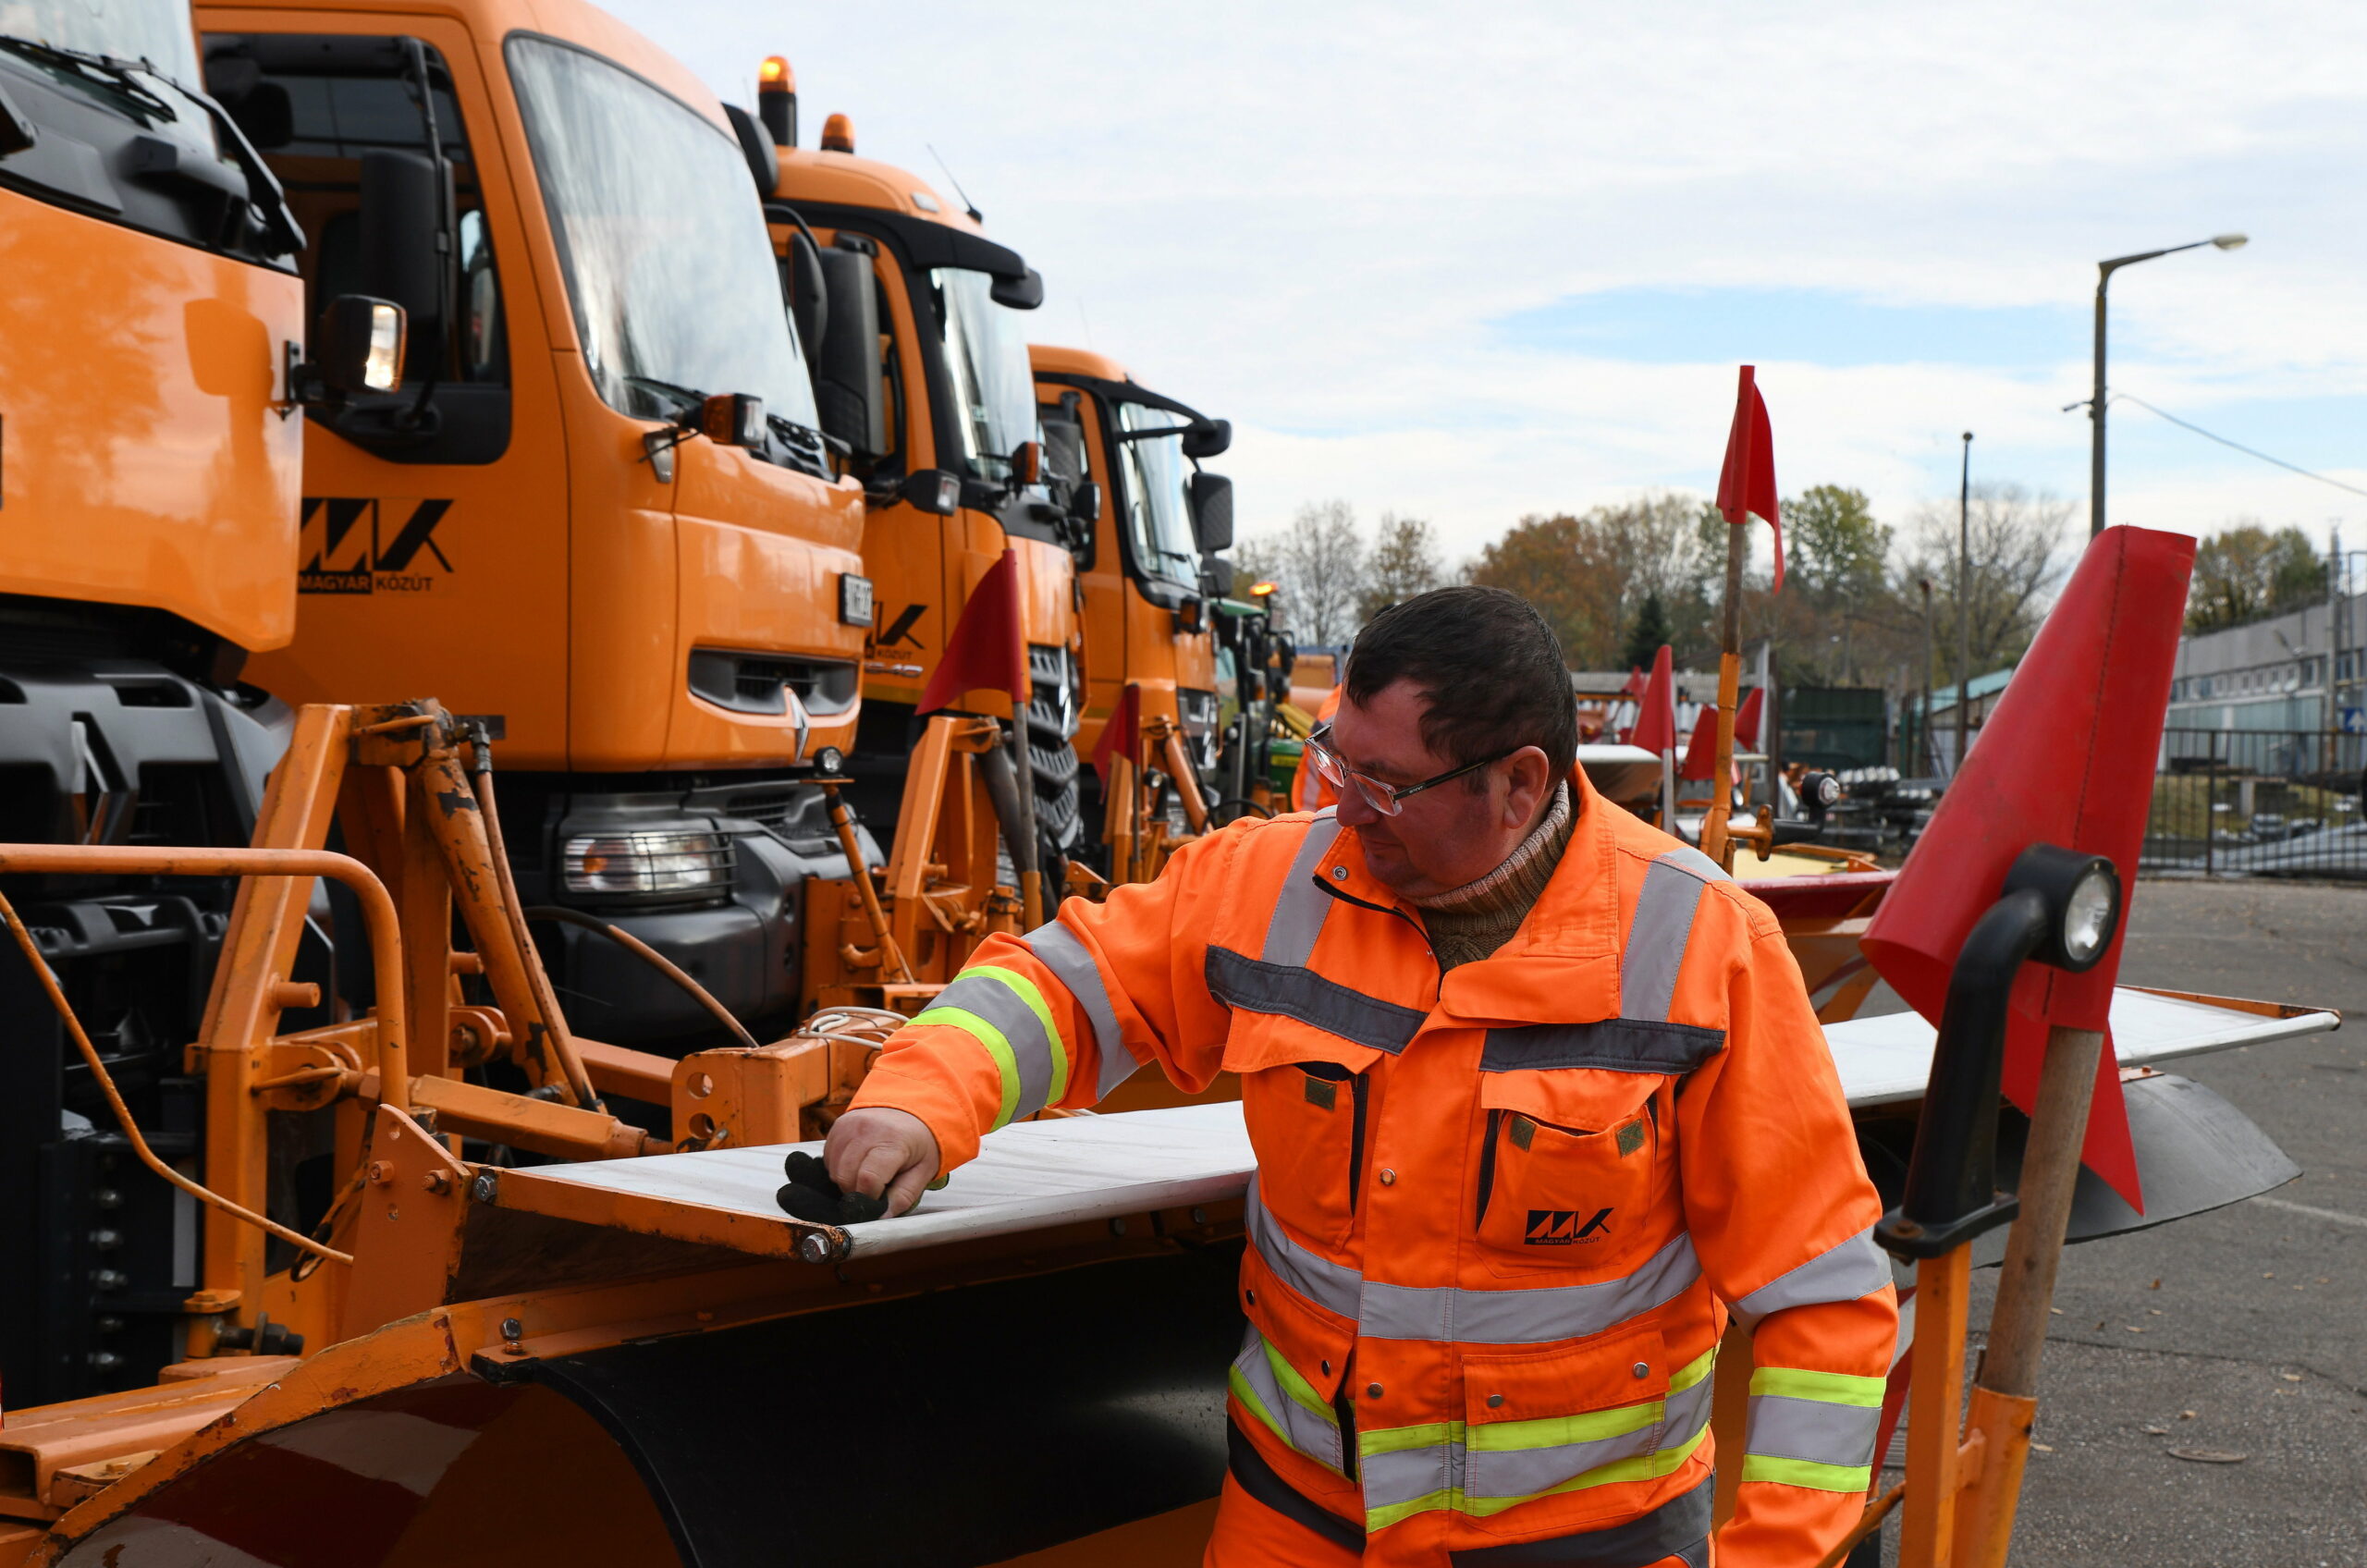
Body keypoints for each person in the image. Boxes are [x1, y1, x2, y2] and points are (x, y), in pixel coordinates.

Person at [827, 585, 1896, 1567]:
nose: (1345, 809)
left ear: (1519, 784)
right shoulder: (1269, 881)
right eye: (1337, 759)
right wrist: (920, 1102)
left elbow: (1827, 1302)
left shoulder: (1703, 946)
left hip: (1583, 1542)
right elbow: (1064, 983)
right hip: (1297, 1519)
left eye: (1386, 785)